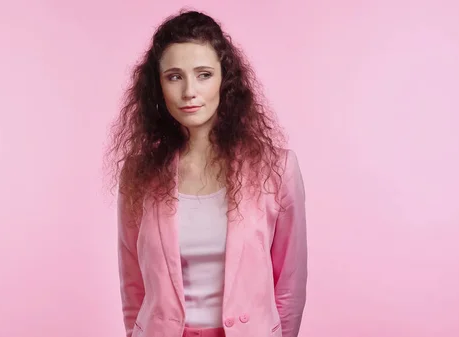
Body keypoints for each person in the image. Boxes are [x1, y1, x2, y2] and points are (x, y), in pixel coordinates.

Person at [105, 9, 308, 337]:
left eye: (203, 74)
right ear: (158, 87)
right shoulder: (138, 174)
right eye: (174, 76)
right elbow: (133, 286)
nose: (189, 92)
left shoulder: (277, 169)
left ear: (224, 80)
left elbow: (289, 286)